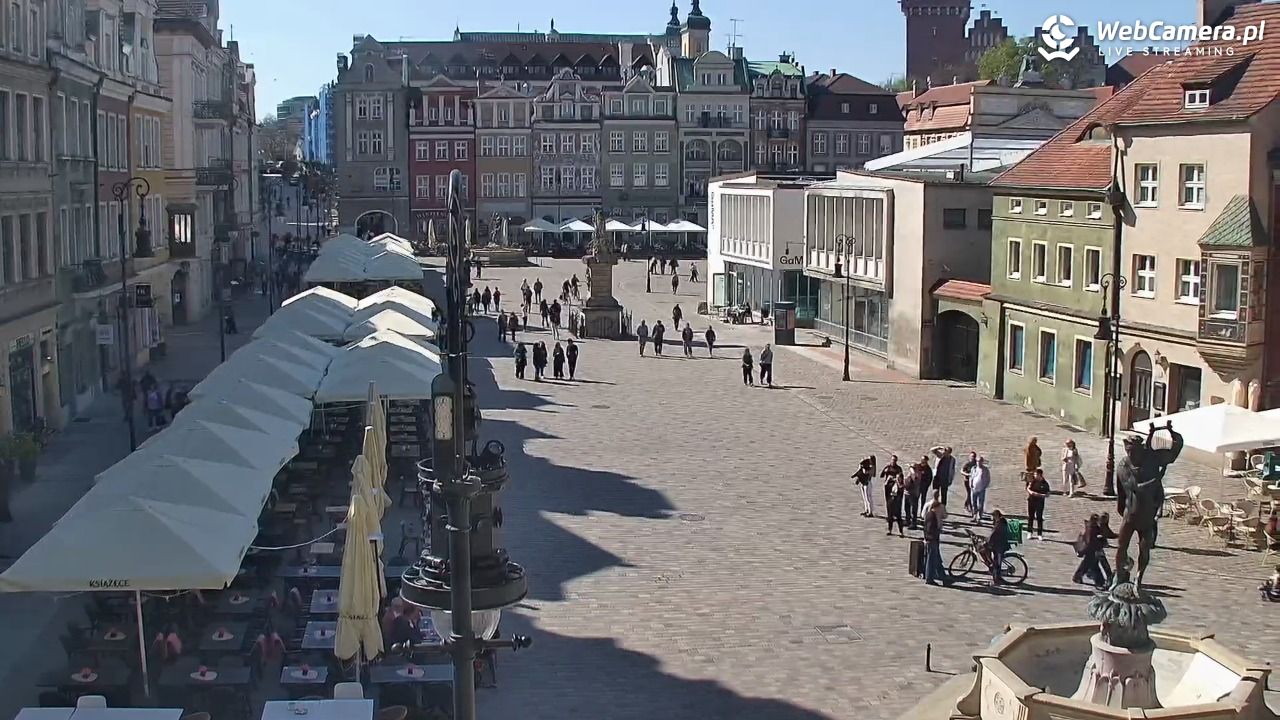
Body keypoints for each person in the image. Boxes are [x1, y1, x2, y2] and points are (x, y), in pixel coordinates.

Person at [1073, 515, 1107, 588]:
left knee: (1090, 565)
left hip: (1091, 550)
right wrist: (1100, 543)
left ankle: (1099, 581)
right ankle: (1099, 582)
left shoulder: (1092, 527)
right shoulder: (1093, 529)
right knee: (1091, 565)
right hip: (1091, 550)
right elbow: (1091, 542)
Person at [923, 498, 951, 586]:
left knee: (937, 560)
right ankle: (929, 578)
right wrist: (935, 534)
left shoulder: (929, 514)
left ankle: (944, 578)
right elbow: (930, 529)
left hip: (931, 540)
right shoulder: (932, 516)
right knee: (931, 560)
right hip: (932, 540)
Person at [1026, 468, 1051, 540]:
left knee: (1039, 518)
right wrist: (1031, 492)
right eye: (1034, 474)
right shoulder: (1032, 481)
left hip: (1040, 502)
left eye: (1036, 474)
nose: (1034, 476)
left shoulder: (1045, 483)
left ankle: (1039, 534)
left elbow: (1048, 494)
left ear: (1040, 475)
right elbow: (1027, 488)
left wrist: (1040, 495)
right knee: (1030, 517)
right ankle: (1029, 532)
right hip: (1031, 501)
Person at [988, 510, 1011, 585]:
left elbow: (994, 533)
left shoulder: (1000, 523)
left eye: (994, 516)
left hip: (1000, 546)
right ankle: (997, 577)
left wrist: (988, 542)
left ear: (997, 515)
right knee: (997, 562)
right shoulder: (1000, 522)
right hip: (998, 544)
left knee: (997, 563)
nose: (993, 518)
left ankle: (996, 580)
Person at [884, 461, 906, 537]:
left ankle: (901, 532)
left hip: (897, 502)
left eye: (899, 478)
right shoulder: (892, 483)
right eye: (897, 478)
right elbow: (886, 486)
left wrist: (898, 482)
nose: (897, 479)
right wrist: (888, 480)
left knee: (899, 518)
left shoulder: (902, 485)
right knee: (890, 517)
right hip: (891, 501)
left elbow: (900, 488)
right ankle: (889, 530)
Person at [970, 456, 991, 523]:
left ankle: (979, 515)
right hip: (974, 488)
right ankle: (974, 515)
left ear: (982, 462)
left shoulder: (985, 469)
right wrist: (970, 484)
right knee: (974, 503)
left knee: (981, 503)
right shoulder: (974, 468)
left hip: (981, 488)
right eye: (977, 461)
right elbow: (971, 476)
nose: (978, 463)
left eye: (980, 461)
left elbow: (988, 479)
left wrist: (985, 486)